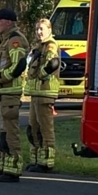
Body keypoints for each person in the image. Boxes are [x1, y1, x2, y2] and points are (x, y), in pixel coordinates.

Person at [0, 8, 29, 182]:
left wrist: (1, 78)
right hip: (3, 94)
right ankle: (4, 167)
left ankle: (13, 170)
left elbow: (18, 65)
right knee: (1, 135)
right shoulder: (4, 41)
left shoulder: (15, 40)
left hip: (10, 93)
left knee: (9, 133)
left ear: (9, 22)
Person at [24, 18, 61, 173]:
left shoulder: (51, 45)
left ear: (49, 30)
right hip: (35, 93)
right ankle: (36, 160)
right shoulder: (38, 47)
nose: (39, 32)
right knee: (33, 128)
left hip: (45, 93)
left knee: (46, 130)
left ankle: (47, 163)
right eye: (37, 29)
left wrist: (41, 74)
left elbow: (53, 63)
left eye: (42, 29)